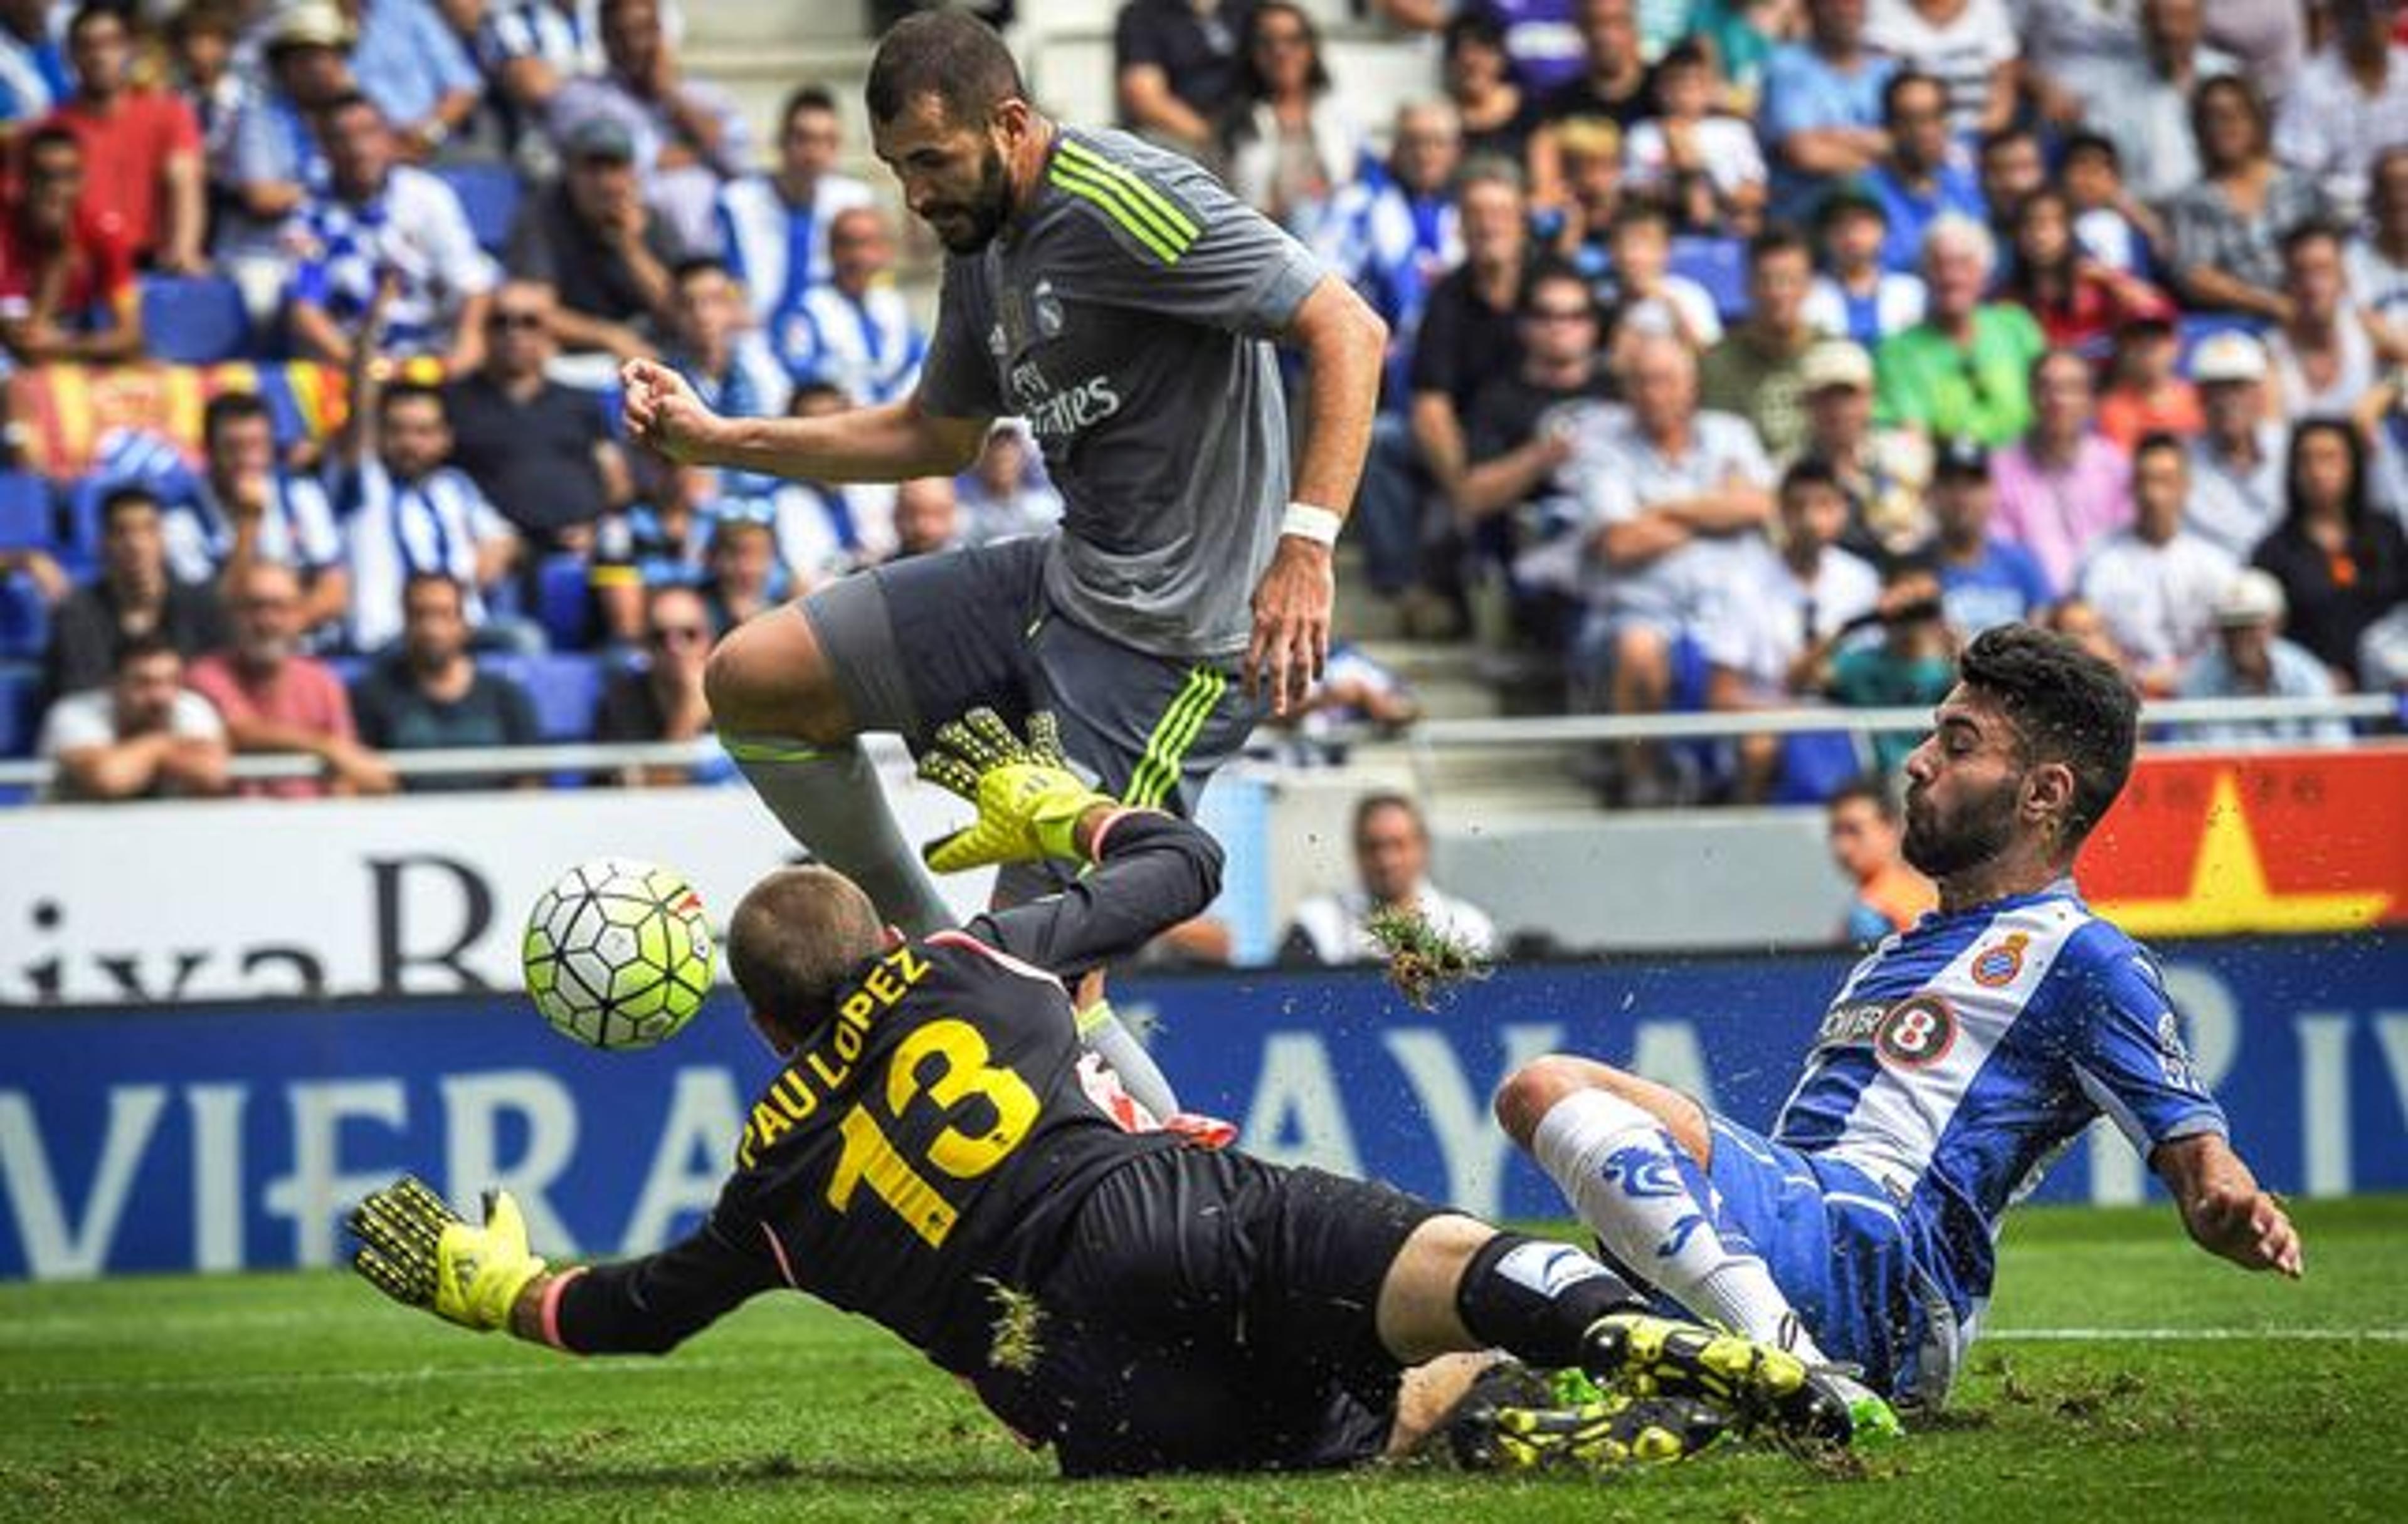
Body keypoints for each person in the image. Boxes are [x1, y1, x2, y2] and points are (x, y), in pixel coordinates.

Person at [349, 713, 1877, 1475]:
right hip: (1142, 1212)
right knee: (1437, 1266)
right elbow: (1186, 867)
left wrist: (509, 1291)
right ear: (881, 940)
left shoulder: (771, 1190)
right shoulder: (967, 963)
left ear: (757, 1023)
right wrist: (1056, 808)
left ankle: (1525, 1427)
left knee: (1355, 1420)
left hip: (1078, 1395)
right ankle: (1678, 1347)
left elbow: (634, 1314)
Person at [617, 13, 1387, 1088]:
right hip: (1061, 581)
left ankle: (1194, 1230)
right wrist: (720, 439)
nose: (915, 197)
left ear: (1011, 123)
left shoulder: (1126, 199)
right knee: (755, 679)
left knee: (1027, 1007)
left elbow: (1346, 325)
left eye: (930, 160)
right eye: (896, 170)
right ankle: (921, 933)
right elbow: (935, 435)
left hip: (1173, 652)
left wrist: (1308, 544)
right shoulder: (985, 249)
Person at [1497, 623, 2305, 1413]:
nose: (1918, 763)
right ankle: (1732, 1368)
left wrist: (2223, 1200)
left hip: (1883, 1263)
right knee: (1477, 1317)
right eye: (1932, 737)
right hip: (1807, 1226)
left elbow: (2199, 1151)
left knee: (1547, 1088)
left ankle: (1798, 1372)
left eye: (1958, 745)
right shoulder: (1897, 951)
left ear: (2044, 794)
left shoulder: (2082, 956)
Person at [334, 292, 522, 654]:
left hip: (463, 634)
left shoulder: (457, 488)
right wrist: (369, 335)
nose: (410, 443)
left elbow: (504, 538)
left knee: (523, 641)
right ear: (382, 436)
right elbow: (359, 412)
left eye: (423, 432)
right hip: (389, 641)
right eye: (398, 430)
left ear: (444, 439)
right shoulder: (363, 485)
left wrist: (501, 550)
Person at [1703, 459, 1883, 801]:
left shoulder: (1862, 580)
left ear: (1843, 510)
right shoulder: (1744, 585)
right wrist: (1796, 715)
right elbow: (1721, 696)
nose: (1811, 521)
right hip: (1771, 725)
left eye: (1824, 506)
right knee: (1761, 745)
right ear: (1780, 513)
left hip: (1847, 723)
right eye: (1798, 507)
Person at [285, 92, 498, 372]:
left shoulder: (427, 195)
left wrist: (468, 343)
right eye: (342, 138)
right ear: (324, 147)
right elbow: (305, 310)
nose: (358, 149)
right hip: (352, 359)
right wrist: (366, 367)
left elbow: (473, 284)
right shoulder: (309, 212)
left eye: (368, 133)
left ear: (390, 138)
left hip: (431, 350)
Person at [445, 279, 631, 561]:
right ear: (484, 330)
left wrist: (596, 527)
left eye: (529, 322)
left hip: (582, 551)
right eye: (500, 321)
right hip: (494, 555)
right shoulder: (453, 402)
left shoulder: (581, 401)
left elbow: (617, 480)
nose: (514, 332)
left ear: (550, 332)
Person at [547, 0, 747, 252]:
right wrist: (693, 154)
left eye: (642, 32)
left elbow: (735, 159)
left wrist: (670, 95)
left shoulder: (705, 95)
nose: (633, 46)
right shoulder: (580, 96)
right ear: (603, 38)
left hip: (706, 250)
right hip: (619, 245)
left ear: (660, 33)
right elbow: (605, 161)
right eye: (620, 34)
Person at [187, 561, 394, 799]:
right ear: (234, 615)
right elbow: (241, 732)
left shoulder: (321, 680)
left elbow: (348, 763)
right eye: (255, 607)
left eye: (280, 608)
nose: (267, 620)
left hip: (314, 825)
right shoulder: (206, 674)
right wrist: (325, 748)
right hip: (231, 827)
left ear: (299, 615)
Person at [163, 392, 349, 641]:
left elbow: (335, 590)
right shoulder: (180, 519)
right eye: (233, 448)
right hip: (226, 656)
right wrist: (248, 525)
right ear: (208, 451)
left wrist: (280, 631)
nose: (247, 460)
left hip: (306, 648)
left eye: (257, 446)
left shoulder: (299, 494)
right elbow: (215, 612)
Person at [503, 115, 684, 365]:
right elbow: (534, 309)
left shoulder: (654, 219)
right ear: (570, 173)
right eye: (592, 169)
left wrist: (631, 248)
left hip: (653, 348)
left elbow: (679, 313)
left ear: (632, 173)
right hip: (573, 357)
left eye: (614, 168)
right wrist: (609, 337)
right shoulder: (541, 217)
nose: (604, 182)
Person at [40, 4, 204, 273]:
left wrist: (184, 249)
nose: (100, 56)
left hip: (150, 264)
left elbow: (184, 181)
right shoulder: (51, 126)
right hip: (78, 270)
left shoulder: (169, 113)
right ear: (70, 55)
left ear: (131, 50)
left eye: (111, 43)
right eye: (87, 46)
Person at [711, 84, 877, 346]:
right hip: (756, 339)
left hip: (834, 341)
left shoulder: (854, 201)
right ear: (781, 140)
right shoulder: (737, 202)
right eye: (804, 138)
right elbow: (732, 286)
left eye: (827, 141)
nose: (815, 153)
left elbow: (871, 283)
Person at [2074, 432, 2236, 695]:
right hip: (2121, 696)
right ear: (2131, 487)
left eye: (2165, 482)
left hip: (2205, 697)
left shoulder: (2215, 563)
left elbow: (2229, 642)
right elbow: (2084, 637)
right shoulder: (2099, 560)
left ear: (2186, 487)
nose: (2153, 494)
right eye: (2144, 481)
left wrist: (2184, 678)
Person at [2249, 418, 2408, 681]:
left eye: (2330, 458)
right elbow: (2263, 637)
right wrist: (2312, 678)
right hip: (2311, 698)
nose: (2317, 471)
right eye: (2306, 460)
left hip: (2393, 692)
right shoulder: (2275, 551)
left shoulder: (2387, 535)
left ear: (2353, 464)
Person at [350, 572, 540, 789]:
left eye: (444, 614)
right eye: (419, 614)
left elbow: (530, 780)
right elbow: (363, 778)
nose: (432, 629)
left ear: (464, 625)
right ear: (405, 621)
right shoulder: (374, 696)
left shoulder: (506, 697)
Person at [2161, 75, 2328, 322]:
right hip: (2239, 323)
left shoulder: (2298, 185)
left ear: (2256, 121)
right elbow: (2196, 277)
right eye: (2212, 119)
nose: (2224, 127)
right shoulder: (2193, 201)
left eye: (2234, 115)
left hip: (2312, 310)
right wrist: (2271, 304)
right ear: (2199, 130)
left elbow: (2330, 253)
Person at [1872, 214, 2045, 447]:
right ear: (1924, 274)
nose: (1951, 277)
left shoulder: (2016, 327)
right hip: (1951, 477)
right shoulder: (1899, 352)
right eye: (1938, 265)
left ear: (1985, 275)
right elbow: (1913, 437)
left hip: (2030, 471)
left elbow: (2048, 402)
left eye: (1964, 264)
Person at [46, 485, 231, 698]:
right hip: (108, 719)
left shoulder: (201, 604)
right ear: (102, 543)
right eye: (121, 532)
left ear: (163, 539)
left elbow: (218, 682)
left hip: (185, 719)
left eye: (149, 529)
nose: (136, 544)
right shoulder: (76, 612)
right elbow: (80, 691)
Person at [1281, 791, 1497, 965]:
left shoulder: (1468, 927)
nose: (1386, 861)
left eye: (1399, 845)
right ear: (1355, 851)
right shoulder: (1317, 924)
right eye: (1373, 847)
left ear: (1423, 848)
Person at [1987, 349, 2132, 594]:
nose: (2058, 399)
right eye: (2047, 387)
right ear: (2031, 397)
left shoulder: (2114, 465)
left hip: (2104, 604)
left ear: (2090, 401)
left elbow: (2126, 547)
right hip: (2031, 608)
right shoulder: (1999, 468)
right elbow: (2002, 553)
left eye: (2071, 388)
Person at [0, 122, 140, 365]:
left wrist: (65, 344)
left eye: (68, 176)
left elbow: (131, 337)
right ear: (23, 180)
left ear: (82, 181)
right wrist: (56, 253)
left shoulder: (104, 232)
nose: (55, 189)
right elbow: (24, 343)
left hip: (71, 341)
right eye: (44, 176)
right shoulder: (5, 229)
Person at [1220, 1, 1363, 233]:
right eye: (1267, 42)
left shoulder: (1339, 113)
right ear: (1252, 52)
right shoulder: (1233, 121)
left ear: (1311, 48)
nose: (1281, 52)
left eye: (1293, 40)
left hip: (1333, 239)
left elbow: (1355, 186)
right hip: (1262, 242)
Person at [2175, 568, 2353, 747]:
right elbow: (2187, 756)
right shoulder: (2199, 679)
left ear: (2277, 623)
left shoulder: (2306, 674)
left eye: (2250, 624)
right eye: (2230, 626)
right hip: (2226, 775)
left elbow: (2333, 747)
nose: (2240, 636)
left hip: (2300, 775)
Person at [39, 633, 228, 802]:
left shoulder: (192, 707)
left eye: (171, 681)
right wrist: (160, 745)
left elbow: (211, 775)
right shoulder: (74, 714)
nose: (160, 697)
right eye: (143, 683)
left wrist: (138, 757)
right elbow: (107, 780)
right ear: (113, 685)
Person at [771, 206, 927, 405]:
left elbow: (917, 361)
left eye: (868, 244)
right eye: (847, 244)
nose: (857, 256)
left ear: (886, 251)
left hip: (895, 418)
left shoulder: (893, 304)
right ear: (830, 250)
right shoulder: (809, 308)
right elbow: (799, 373)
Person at [1757, 0, 1898, 218]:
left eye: (1853, 2)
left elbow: (1906, 144)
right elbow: (1805, 153)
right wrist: (1880, 156)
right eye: (1833, 3)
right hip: (1807, 218)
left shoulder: (1886, 71)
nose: (1845, 9)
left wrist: (1827, 135)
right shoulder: (1788, 66)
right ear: (1811, 9)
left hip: (1882, 217)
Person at [2271, 0, 2408, 222]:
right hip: (2341, 222)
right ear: (2340, 16)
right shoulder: (2311, 84)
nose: (2372, 20)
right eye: (2360, 11)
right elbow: (2302, 176)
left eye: (2382, 7)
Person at [1699, 224, 1820, 460]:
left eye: (1790, 280)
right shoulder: (1718, 363)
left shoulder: (1833, 353)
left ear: (1809, 286)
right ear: (1748, 286)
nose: (1779, 292)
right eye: (1767, 280)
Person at [594, 581, 729, 786]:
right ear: (645, 646)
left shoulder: (738, 696)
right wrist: (688, 718)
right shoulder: (622, 701)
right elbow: (642, 798)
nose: (675, 647)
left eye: (690, 634)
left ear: (710, 640)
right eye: (660, 637)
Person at [1922, 436, 2051, 636]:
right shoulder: (1915, 567)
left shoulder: (2021, 563)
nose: (1961, 497)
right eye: (1949, 485)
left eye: (1972, 485)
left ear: (1992, 492)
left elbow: (2042, 638)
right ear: (1931, 494)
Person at [1859, 72, 1981, 276]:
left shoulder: (1965, 188)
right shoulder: (1865, 195)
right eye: (1911, 119)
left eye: (1935, 116)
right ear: (1888, 126)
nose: (1924, 131)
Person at [2182, 332, 2285, 560]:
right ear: (2199, 397)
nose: (2226, 400)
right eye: (2215, 390)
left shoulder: (2291, 450)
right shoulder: (2181, 463)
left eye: (2238, 387)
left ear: (2259, 394)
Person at [1114, 0, 1257, 164]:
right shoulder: (1143, 16)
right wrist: (1211, 140)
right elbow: (1145, 98)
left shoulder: (1249, 9)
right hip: (1179, 139)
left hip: (1250, 130)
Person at [1862, 0, 2017, 142]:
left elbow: (2002, 103)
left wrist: (1964, 142)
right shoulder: (1883, 7)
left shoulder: (1988, 7)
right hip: (1909, 141)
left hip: (1977, 141)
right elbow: (1880, 84)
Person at [1800, 186, 1925, 348]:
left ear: (1882, 230)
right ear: (1825, 236)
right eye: (1839, 225)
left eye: (1861, 224)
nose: (1851, 235)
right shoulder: (1809, 295)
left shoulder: (1913, 291)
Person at [1822, 773, 1935, 943]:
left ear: (1891, 829)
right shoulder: (1927, 893)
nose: (1842, 846)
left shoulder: (1871, 915)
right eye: (1836, 832)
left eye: (1854, 831)